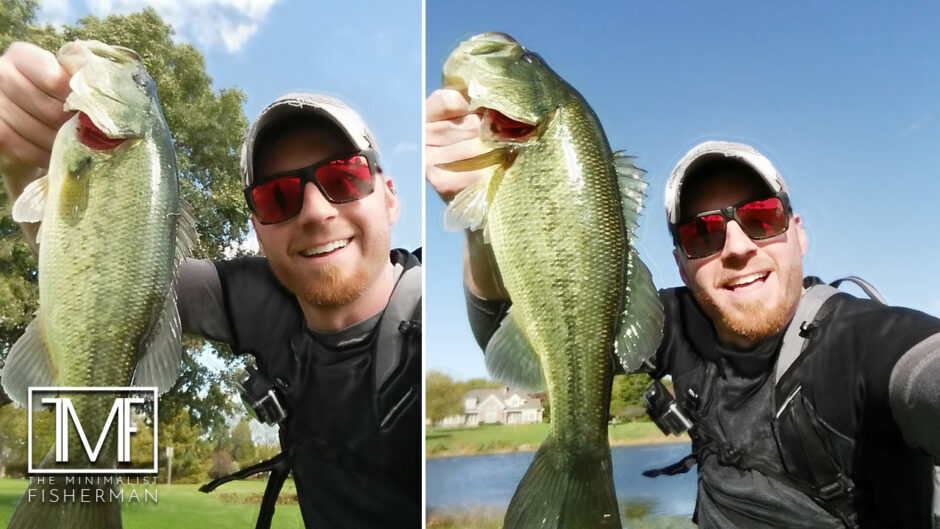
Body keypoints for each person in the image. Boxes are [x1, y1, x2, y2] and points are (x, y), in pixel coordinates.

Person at [426, 88, 940, 529]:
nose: (736, 246)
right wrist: (480, 220)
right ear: (680, 263)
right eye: (703, 232)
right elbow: (511, 332)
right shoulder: (675, 323)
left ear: (798, 232)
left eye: (761, 217)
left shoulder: (866, 343)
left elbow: (923, 375)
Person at [0, 42, 421, 529]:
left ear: (390, 198)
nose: (315, 211)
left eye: (344, 176)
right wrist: (21, 165)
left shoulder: (423, 321)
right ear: (257, 228)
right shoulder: (259, 297)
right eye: (277, 196)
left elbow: (489, 301)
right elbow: (108, 279)